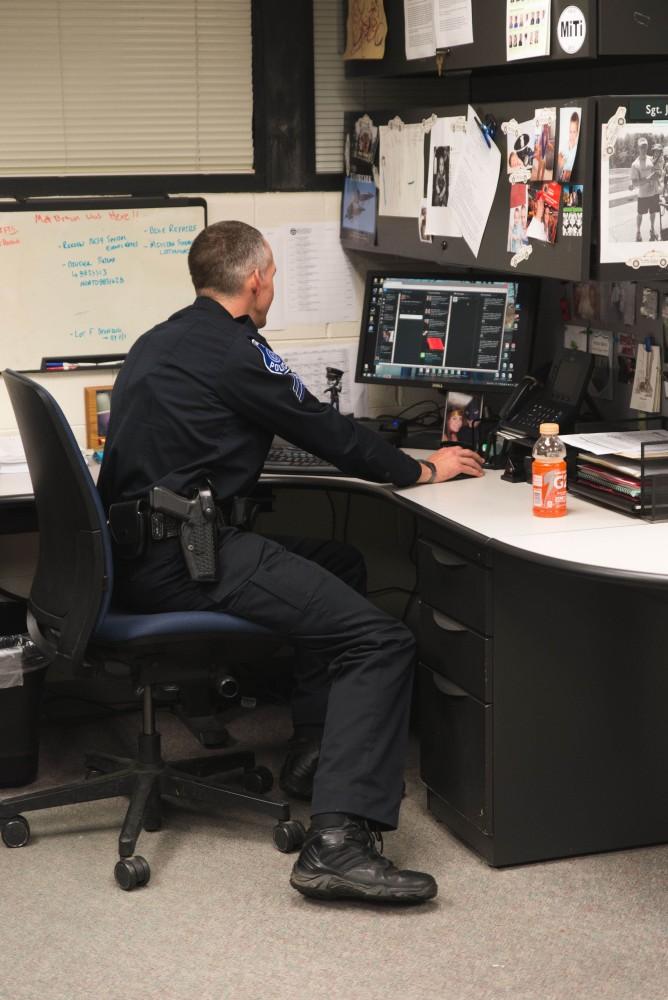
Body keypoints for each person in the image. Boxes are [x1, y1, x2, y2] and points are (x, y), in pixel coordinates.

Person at [97, 220, 485, 905]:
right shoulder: (236, 350)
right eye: (271, 276)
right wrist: (420, 467)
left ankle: (315, 746)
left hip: (142, 554)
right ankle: (337, 844)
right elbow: (324, 428)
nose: (272, 285)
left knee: (338, 563)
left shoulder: (160, 339)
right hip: (190, 559)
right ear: (255, 281)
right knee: (381, 639)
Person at [628, 137, 661, 241]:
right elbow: (635, 183)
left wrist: (658, 175)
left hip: (654, 193)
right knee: (640, 214)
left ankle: (652, 228)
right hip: (643, 195)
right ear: (638, 148)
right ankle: (638, 232)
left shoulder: (652, 159)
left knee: (653, 213)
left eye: (646, 146)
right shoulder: (635, 164)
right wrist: (648, 179)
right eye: (642, 147)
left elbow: (658, 173)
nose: (644, 148)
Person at [557, 111, 580, 183]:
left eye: (574, 132)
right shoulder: (565, 145)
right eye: (570, 131)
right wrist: (560, 160)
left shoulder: (577, 148)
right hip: (561, 178)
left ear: (577, 132)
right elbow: (559, 157)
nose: (571, 135)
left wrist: (568, 173)